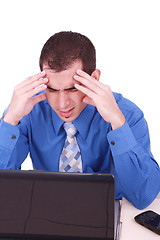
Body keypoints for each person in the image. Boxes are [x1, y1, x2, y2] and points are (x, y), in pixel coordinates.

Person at [0, 31, 159, 209]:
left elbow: (143, 196)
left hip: (105, 213)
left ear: (94, 79)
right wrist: (10, 121)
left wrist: (118, 124)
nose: (62, 104)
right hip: (45, 213)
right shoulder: (28, 111)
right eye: (52, 89)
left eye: (72, 89)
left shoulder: (127, 115)